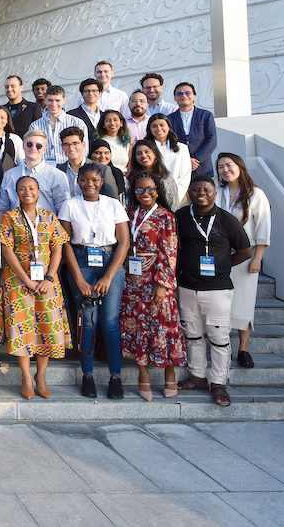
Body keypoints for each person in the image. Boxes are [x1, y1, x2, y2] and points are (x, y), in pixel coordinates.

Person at [175, 176, 252, 407]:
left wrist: (223, 265)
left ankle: (218, 382)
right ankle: (197, 376)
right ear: (189, 192)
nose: (201, 193)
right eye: (196, 189)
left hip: (217, 288)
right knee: (192, 334)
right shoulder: (181, 217)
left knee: (219, 338)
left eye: (206, 189)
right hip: (187, 286)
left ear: (214, 192)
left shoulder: (227, 220)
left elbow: (245, 251)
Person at [59, 162, 131, 400]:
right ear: (78, 181)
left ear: (101, 182)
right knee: (87, 322)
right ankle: (87, 375)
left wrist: (109, 276)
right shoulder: (70, 205)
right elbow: (65, 243)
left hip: (110, 260)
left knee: (109, 322)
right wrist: (78, 278)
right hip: (81, 261)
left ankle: (115, 377)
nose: (89, 184)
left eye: (94, 180)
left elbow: (124, 243)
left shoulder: (113, 204)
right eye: (84, 180)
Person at [0, 176, 71, 400]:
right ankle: (26, 377)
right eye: (22, 189)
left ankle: (41, 375)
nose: (27, 192)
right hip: (17, 280)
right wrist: (26, 280)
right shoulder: (9, 217)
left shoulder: (49, 217)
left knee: (45, 326)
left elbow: (58, 248)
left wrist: (49, 277)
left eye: (31, 188)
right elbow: (7, 250)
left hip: (47, 281)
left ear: (39, 192)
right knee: (22, 328)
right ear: (16, 193)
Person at [120, 172, 185, 401]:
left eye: (150, 189)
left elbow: (169, 251)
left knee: (163, 327)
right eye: (139, 189)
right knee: (137, 327)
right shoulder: (129, 214)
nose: (145, 193)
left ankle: (170, 374)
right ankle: (143, 376)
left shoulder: (165, 216)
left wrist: (162, 284)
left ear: (157, 191)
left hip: (156, 279)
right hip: (132, 280)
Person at [215, 153, 271, 369]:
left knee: (244, 302)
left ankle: (244, 348)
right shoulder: (217, 192)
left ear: (240, 167)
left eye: (229, 165)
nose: (225, 170)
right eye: (220, 167)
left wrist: (258, 258)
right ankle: (224, 346)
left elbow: (263, 228)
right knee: (221, 303)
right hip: (221, 255)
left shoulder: (255, 194)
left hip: (246, 256)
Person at [0, 129, 71, 220]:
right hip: (15, 227)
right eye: (29, 144)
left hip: (47, 226)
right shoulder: (9, 175)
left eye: (39, 146)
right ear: (23, 145)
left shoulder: (57, 176)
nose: (33, 148)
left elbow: (63, 210)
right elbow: (3, 207)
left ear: (44, 149)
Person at [28, 85, 88, 165]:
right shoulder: (35, 126)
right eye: (50, 100)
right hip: (44, 168)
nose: (54, 104)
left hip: (70, 167)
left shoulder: (77, 123)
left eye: (57, 100)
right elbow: (32, 150)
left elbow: (84, 150)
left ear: (64, 100)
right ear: (45, 100)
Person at [168, 81, 217, 177]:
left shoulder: (205, 116)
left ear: (194, 96)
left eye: (187, 93)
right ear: (175, 98)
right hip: (180, 167)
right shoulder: (169, 119)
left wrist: (196, 159)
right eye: (179, 94)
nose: (184, 96)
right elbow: (169, 141)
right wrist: (185, 160)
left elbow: (212, 140)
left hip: (202, 167)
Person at [57, 127, 119, 199]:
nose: (71, 148)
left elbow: (112, 199)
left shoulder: (102, 170)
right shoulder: (58, 170)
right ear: (62, 147)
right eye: (66, 144)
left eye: (75, 143)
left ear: (83, 145)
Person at [148, 114, 191, 205]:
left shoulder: (181, 148)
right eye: (154, 126)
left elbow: (185, 176)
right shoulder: (146, 149)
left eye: (162, 125)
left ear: (169, 127)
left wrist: (175, 195)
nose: (158, 129)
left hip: (178, 194)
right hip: (153, 195)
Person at [128, 140, 179, 210]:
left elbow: (173, 202)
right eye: (139, 153)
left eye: (147, 152)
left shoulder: (165, 176)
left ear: (155, 154)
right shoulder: (132, 178)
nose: (143, 156)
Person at [88, 140, 128, 206]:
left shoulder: (117, 173)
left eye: (106, 153)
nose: (103, 156)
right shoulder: (85, 172)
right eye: (98, 153)